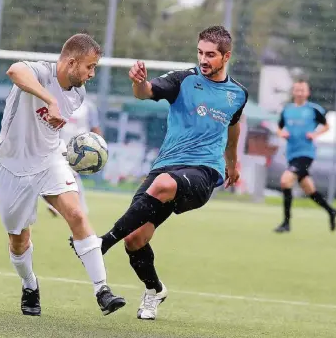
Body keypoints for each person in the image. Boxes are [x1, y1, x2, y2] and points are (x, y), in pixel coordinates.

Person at [70, 26, 248, 320]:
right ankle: (154, 290)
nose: (204, 59)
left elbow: (233, 126)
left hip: (203, 172)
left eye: (211, 55)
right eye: (200, 52)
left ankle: (101, 243)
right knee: (135, 239)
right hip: (166, 165)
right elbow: (145, 93)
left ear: (226, 56)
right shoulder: (183, 80)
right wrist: (138, 82)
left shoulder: (237, 94)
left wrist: (233, 163)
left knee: (163, 185)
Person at [0, 33, 125, 317]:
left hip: (51, 159)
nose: (92, 73)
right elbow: (14, 71)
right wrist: (49, 100)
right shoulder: (41, 71)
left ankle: (102, 290)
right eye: (89, 66)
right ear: (71, 62)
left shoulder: (79, 93)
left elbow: (50, 128)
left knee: (76, 214)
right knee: (18, 239)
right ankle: (29, 284)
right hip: (12, 165)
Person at [273, 80, 336, 233]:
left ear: (307, 92)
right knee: (309, 190)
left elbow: (327, 126)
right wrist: (282, 133)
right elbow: (278, 128)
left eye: (303, 90)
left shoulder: (313, 109)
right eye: (297, 90)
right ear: (293, 92)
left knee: (285, 181)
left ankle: (286, 223)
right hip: (291, 154)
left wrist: (315, 134)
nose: (300, 93)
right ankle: (331, 210)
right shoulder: (287, 110)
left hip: (306, 154)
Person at [45, 99, 102, 217]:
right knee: (68, 176)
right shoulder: (60, 104)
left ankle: (59, 205)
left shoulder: (89, 107)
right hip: (61, 145)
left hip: (81, 147)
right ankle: (75, 207)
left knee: (69, 175)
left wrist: (98, 146)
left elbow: (95, 128)